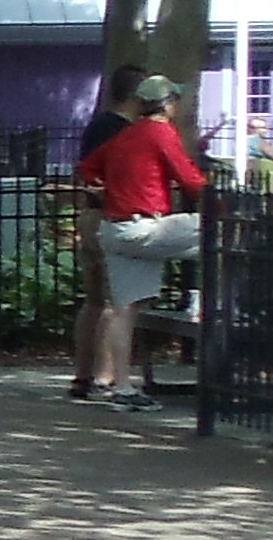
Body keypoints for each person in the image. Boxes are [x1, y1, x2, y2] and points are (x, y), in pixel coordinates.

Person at [70, 69, 206, 407]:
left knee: (124, 309)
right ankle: (206, 302)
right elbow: (189, 179)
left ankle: (124, 388)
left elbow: (88, 167)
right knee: (218, 231)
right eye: (175, 99)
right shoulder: (161, 132)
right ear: (167, 104)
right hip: (145, 228)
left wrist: (104, 189)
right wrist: (221, 204)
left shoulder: (127, 134)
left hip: (114, 229)